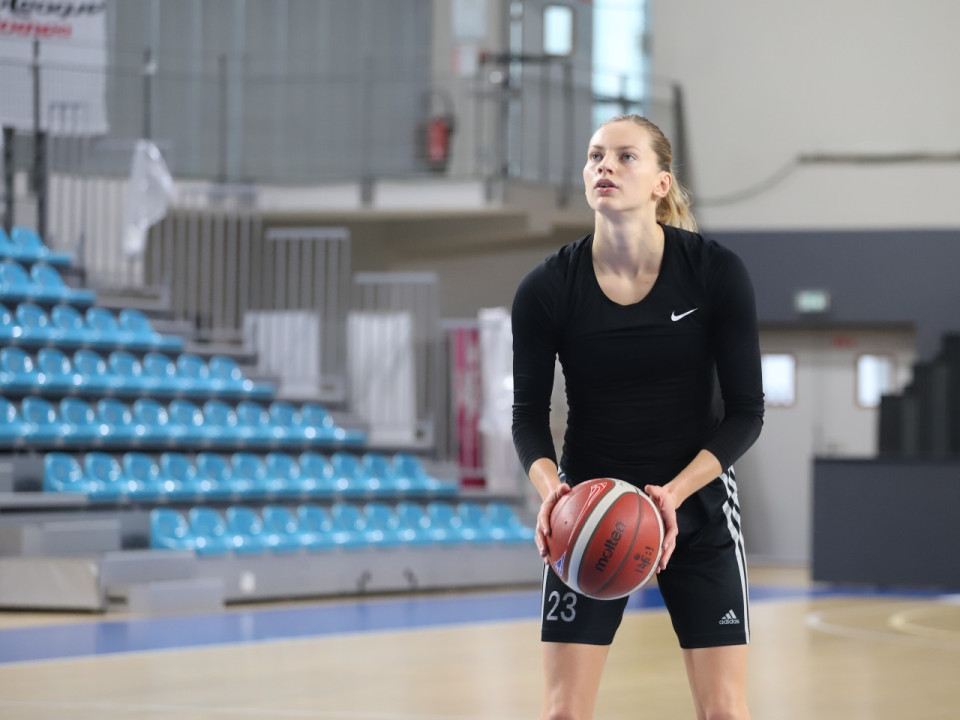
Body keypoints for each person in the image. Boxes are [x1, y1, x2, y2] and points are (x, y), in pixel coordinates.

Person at [511, 114, 765, 720]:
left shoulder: (714, 272)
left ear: (661, 182)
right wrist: (553, 495)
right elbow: (527, 417)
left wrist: (672, 496)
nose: (605, 166)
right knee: (563, 713)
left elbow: (747, 413)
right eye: (596, 155)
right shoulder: (547, 287)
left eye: (625, 157)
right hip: (587, 515)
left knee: (724, 711)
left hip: (696, 510)